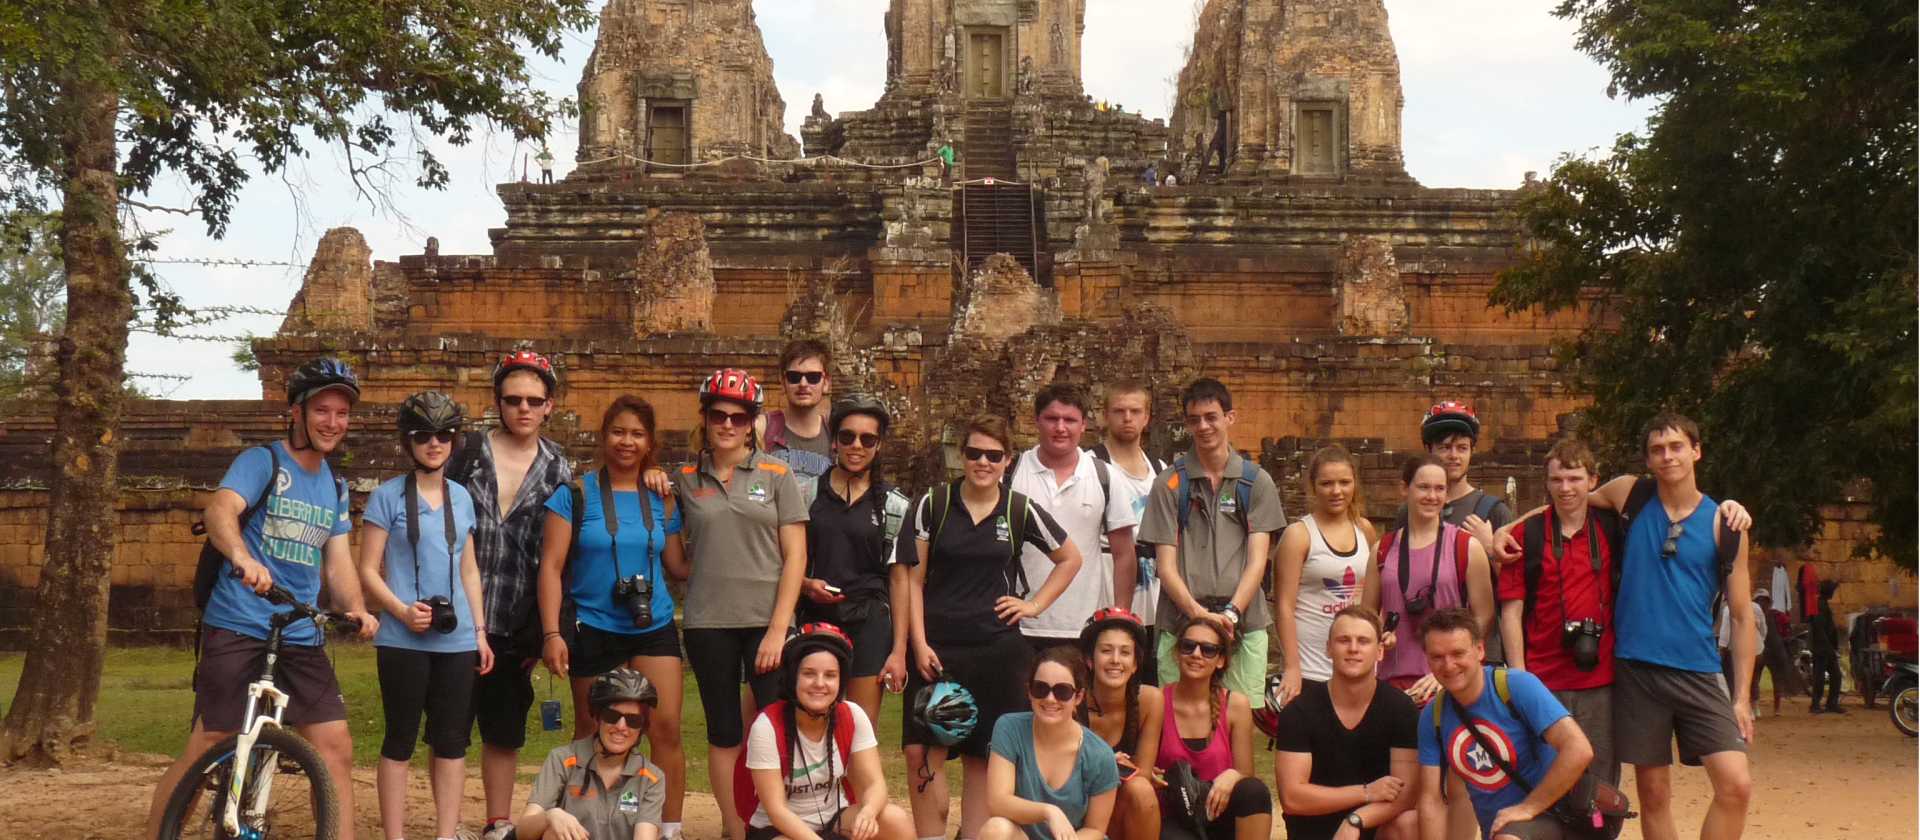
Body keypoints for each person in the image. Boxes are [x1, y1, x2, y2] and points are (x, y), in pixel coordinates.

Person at [146, 358, 381, 840]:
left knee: (335, 746)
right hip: (239, 621)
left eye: (341, 413)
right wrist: (241, 556)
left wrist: (356, 608)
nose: (333, 422)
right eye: (322, 410)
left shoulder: (334, 486)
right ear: (296, 411)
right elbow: (220, 511)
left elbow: (337, 562)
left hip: (299, 629)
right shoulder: (263, 461)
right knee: (211, 739)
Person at [1495, 411, 1756, 840]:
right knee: (1654, 793)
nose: (1667, 456)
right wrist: (1505, 528)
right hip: (1636, 670)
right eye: (1657, 450)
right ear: (1648, 460)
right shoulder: (1629, 495)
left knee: (1736, 783)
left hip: (1699, 668)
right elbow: (1566, 499)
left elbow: (1743, 616)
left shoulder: (1724, 523)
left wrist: (1743, 697)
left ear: (1696, 450)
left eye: (1676, 447)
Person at [900, 414, 1083, 840]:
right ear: (961, 456)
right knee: (921, 752)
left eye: (993, 455)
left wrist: (1033, 604)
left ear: (1008, 460)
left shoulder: (1018, 509)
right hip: (939, 650)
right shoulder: (934, 504)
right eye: (974, 453)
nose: (983, 462)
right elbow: (912, 578)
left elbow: (1070, 558)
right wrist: (919, 643)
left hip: (997, 650)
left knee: (984, 756)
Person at [539, 395, 690, 835]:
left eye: (637, 434)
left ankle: (669, 827)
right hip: (593, 624)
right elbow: (550, 566)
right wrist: (552, 633)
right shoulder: (575, 495)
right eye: (618, 432)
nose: (627, 441)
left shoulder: (662, 497)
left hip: (653, 624)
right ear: (603, 437)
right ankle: (582, 823)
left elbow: (679, 566)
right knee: (593, 729)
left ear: (650, 442)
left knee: (664, 728)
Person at [672, 369, 810, 840]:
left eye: (739, 416)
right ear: (705, 418)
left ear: (753, 421)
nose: (728, 424)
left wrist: (779, 628)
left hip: (765, 622)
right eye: (718, 415)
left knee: (776, 726)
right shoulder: (685, 478)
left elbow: (795, 556)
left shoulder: (777, 473)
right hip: (709, 621)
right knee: (724, 730)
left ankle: (778, 822)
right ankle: (734, 827)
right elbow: (676, 555)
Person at [448, 350, 577, 840]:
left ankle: (498, 821)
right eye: (513, 399)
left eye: (534, 401)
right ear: (497, 402)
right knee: (451, 726)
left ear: (550, 406)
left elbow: (561, 555)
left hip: (519, 615)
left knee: (503, 727)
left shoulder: (559, 468)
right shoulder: (466, 454)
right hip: (459, 610)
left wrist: (551, 630)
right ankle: (448, 821)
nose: (523, 409)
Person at [358, 391, 493, 840]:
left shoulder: (462, 498)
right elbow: (367, 570)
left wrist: (480, 632)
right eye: (423, 436)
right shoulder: (387, 496)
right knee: (399, 740)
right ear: (407, 441)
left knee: (452, 742)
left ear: (454, 440)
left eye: (444, 435)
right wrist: (399, 610)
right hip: (401, 638)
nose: (434, 444)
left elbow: (469, 569)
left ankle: (445, 832)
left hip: (455, 640)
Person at [1136, 378, 1286, 697]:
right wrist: (1198, 615)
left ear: (1229, 417)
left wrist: (1230, 613)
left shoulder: (1255, 482)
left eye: (1211, 417)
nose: (1203, 427)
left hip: (1244, 621)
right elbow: (1165, 566)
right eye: (1194, 420)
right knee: (1176, 715)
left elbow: (1258, 562)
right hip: (1180, 619)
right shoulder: (1170, 484)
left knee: (1242, 714)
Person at [1496, 438, 1620, 785]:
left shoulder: (1611, 528)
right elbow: (1511, 612)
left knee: (1600, 782)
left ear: (1593, 481)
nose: (1566, 488)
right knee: (1544, 776)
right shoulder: (1525, 535)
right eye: (1557, 480)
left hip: (1601, 680)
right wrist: (1520, 680)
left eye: (1575, 479)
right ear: (1546, 484)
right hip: (1543, 680)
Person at [1415, 607, 1596, 840]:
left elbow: (1579, 749)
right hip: (1500, 829)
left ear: (1480, 650)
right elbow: (1431, 799)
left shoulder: (1515, 686)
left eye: (1458, 653)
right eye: (1437, 657)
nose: (1449, 665)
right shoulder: (1434, 715)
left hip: (1556, 817)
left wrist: (1528, 808)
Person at [798, 395, 913, 724]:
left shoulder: (894, 504)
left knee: (859, 729)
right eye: (847, 436)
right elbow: (786, 561)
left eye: (868, 438)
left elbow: (900, 579)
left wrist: (898, 651)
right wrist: (806, 585)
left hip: (870, 622)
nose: (856, 445)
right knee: (811, 723)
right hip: (817, 616)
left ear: (879, 445)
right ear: (834, 441)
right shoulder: (806, 494)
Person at [742, 624, 913, 840]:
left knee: (894, 819)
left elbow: (875, 784)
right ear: (793, 677)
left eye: (830, 675)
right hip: (779, 830)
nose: (820, 684)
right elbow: (777, 811)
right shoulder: (767, 725)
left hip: (834, 819)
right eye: (809, 674)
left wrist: (868, 813)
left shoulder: (852, 715)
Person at [1009, 384, 1140, 651]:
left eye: (1069, 420)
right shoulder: (1011, 472)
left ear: (1083, 426)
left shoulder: (1104, 475)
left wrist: (1120, 617)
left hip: (1083, 624)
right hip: (1017, 622)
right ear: (1036, 421)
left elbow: (1124, 553)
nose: (1060, 428)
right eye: (1051, 418)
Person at [1273, 606, 1419, 840]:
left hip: (1374, 828)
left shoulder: (1401, 709)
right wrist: (1366, 792)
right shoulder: (1298, 711)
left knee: (1410, 822)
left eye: (1363, 641)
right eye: (1343, 640)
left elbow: (1406, 795)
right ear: (1328, 648)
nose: (1353, 649)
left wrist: (1355, 821)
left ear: (1380, 651)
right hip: (1314, 833)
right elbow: (1292, 798)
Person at [1361, 455, 1493, 706]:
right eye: (1423, 487)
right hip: (1392, 682)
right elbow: (1366, 615)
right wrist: (1380, 635)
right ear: (1404, 489)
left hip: (1449, 681)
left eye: (1439, 488)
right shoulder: (1383, 550)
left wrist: (1449, 667)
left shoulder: (1466, 547)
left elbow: (1484, 616)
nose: (1432, 496)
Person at [1407, 401, 1516, 665]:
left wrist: (1490, 550)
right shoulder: (1409, 513)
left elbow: (1518, 590)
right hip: (1419, 650)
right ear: (1429, 450)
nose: (1453, 456)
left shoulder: (1492, 512)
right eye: (1445, 447)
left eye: (1462, 448)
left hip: (1479, 652)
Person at [1273, 444, 1377, 706]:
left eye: (1344, 482)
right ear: (1313, 486)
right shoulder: (1299, 535)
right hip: (1311, 665)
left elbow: (1373, 598)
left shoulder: (1365, 530)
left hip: (1356, 661)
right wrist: (1292, 666)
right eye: (1327, 483)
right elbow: (1284, 606)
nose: (1336, 491)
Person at [1152, 614, 1273, 840]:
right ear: (1177, 653)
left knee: (1254, 791)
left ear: (1220, 660)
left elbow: (1247, 773)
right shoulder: (1157, 701)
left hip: (1220, 810)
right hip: (1174, 817)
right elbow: (1144, 766)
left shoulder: (1236, 705)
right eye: (1188, 646)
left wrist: (1233, 775)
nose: (1196, 654)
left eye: (1208, 649)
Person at [981, 646, 1120, 840]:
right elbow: (997, 802)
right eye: (1041, 688)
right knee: (996, 829)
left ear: (1078, 697)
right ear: (1029, 691)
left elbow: (1095, 829)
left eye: (1062, 691)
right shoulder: (1009, 728)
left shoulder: (1099, 754)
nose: (1050, 699)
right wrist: (1049, 812)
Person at [518, 668, 667, 840]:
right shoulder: (562, 759)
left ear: (642, 727)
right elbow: (523, 832)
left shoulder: (652, 778)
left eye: (633, 720)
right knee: (554, 833)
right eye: (612, 716)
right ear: (597, 717)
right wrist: (551, 815)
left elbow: (644, 837)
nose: (621, 726)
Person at [1091, 381, 1168, 681]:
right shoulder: (1090, 465)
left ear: (1146, 417)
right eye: (1119, 411)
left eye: (1135, 411)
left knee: (1149, 683)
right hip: (1108, 587)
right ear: (1105, 416)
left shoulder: (1161, 470)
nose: (1127, 418)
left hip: (1154, 594)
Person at [1077, 608, 1162, 840]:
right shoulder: (1072, 699)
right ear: (1089, 659)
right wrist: (1107, 764)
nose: (1115, 660)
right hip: (1074, 804)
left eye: (1125, 652)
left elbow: (1143, 772)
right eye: (1106, 651)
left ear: (1135, 664)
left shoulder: (1149, 700)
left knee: (1140, 789)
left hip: (1120, 805)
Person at [761, 340, 835, 506]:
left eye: (813, 377)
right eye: (794, 377)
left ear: (826, 383)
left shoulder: (837, 434)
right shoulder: (763, 428)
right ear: (783, 382)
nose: (803, 384)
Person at [1809, 579, 1844, 714]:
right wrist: (1829, 647)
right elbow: (1819, 629)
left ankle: (1831, 703)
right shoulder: (1820, 606)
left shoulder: (1822, 605)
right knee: (1820, 677)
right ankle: (1816, 704)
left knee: (1835, 675)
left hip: (1826, 647)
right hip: (1822, 648)